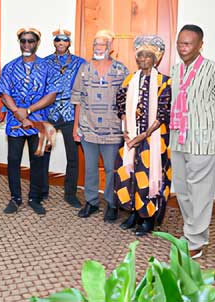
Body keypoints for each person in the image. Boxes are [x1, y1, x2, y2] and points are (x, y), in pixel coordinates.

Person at [170, 24, 215, 258]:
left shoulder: (214, 70)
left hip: (201, 141)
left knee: (201, 191)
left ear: (200, 45)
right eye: (179, 43)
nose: (182, 48)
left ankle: (195, 241)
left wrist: (206, 127)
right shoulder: (176, 71)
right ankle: (192, 232)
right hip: (178, 139)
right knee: (183, 189)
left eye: (187, 44)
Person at [0, 27, 58, 215]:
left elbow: (52, 95)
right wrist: (18, 112)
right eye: (23, 41)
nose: (27, 44)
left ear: (37, 43)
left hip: (38, 123)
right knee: (13, 160)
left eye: (31, 41)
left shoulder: (48, 67)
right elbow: (4, 93)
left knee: (37, 160)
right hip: (15, 122)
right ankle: (15, 198)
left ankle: (34, 198)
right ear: (19, 43)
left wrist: (29, 111)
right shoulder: (10, 66)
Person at [114, 35, 172, 236]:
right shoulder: (130, 80)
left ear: (155, 59)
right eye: (140, 56)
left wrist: (144, 135)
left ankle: (148, 218)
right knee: (130, 175)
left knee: (148, 176)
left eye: (147, 57)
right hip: (130, 137)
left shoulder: (164, 82)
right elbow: (120, 105)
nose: (142, 60)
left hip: (153, 140)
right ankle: (134, 213)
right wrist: (126, 130)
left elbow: (163, 113)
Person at [71, 29, 129, 222]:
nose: (98, 47)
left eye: (102, 44)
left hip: (112, 131)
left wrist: (126, 129)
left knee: (112, 169)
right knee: (90, 168)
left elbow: (127, 101)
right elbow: (77, 99)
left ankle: (112, 204)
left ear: (110, 48)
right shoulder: (84, 69)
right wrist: (75, 128)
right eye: (96, 44)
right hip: (88, 128)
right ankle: (92, 202)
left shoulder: (121, 70)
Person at [42, 28, 85, 208]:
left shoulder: (80, 63)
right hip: (49, 111)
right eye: (58, 40)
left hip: (69, 111)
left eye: (65, 40)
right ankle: (41, 190)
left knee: (72, 155)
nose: (61, 43)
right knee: (42, 152)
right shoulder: (44, 63)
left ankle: (70, 193)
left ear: (69, 42)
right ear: (54, 42)